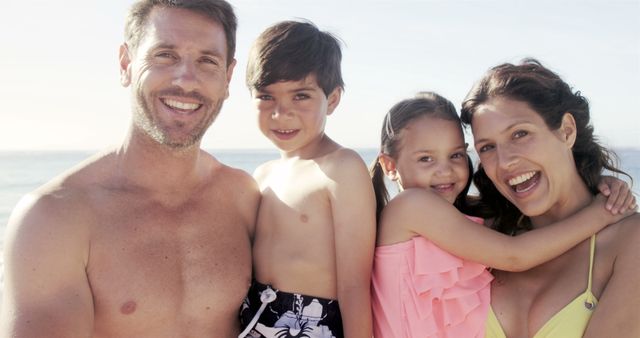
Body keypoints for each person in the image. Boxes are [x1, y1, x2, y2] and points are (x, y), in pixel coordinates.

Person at [0, 1, 261, 337]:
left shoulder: (244, 198)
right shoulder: (55, 219)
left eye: (207, 61)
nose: (186, 80)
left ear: (227, 78)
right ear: (126, 63)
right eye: (165, 55)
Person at [369, 92, 636, 338]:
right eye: (426, 159)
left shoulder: (456, 221)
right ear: (390, 166)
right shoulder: (411, 206)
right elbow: (514, 254)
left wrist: (598, 184)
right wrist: (601, 212)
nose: (445, 171)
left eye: (456, 155)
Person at [460, 59, 640, 338]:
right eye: (487, 147)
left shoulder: (629, 240)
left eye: (520, 134)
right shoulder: (483, 235)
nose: (505, 162)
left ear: (567, 130)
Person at [238, 20, 376, 338]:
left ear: (334, 99)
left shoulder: (341, 168)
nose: (281, 112)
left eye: (300, 96)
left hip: (312, 324)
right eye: (266, 96)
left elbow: (355, 287)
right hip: (255, 320)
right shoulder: (262, 175)